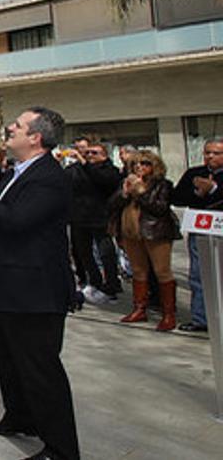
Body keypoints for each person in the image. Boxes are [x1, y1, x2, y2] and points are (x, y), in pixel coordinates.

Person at [0, 107, 80, 460]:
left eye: (18, 126)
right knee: (9, 359)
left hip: (35, 291)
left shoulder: (49, 177)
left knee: (40, 369)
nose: (9, 128)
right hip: (7, 285)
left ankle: (60, 448)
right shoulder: (16, 172)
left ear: (35, 137)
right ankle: (20, 416)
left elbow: (17, 221)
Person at [108, 150, 182, 331]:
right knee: (138, 271)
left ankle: (169, 313)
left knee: (162, 271)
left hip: (155, 232)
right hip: (130, 232)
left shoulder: (162, 184)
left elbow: (160, 208)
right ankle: (139, 309)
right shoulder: (126, 182)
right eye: (135, 164)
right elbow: (111, 205)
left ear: (154, 166)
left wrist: (141, 192)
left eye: (145, 163)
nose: (140, 167)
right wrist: (124, 193)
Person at [171, 138, 223, 333]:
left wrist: (214, 190)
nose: (210, 156)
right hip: (200, 228)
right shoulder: (195, 173)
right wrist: (198, 193)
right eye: (207, 152)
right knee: (199, 274)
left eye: (216, 153)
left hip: (220, 225)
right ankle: (201, 318)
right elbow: (177, 198)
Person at [65, 139, 123, 303]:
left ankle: (112, 283)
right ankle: (94, 280)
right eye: (87, 152)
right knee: (84, 252)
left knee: (106, 253)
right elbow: (64, 181)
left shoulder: (109, 170)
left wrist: (85, 163)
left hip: (100, 218)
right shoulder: (76, 169)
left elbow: (103, 181)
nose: (89, 155)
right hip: (79, 217)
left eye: (94, 153)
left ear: (104, 155)